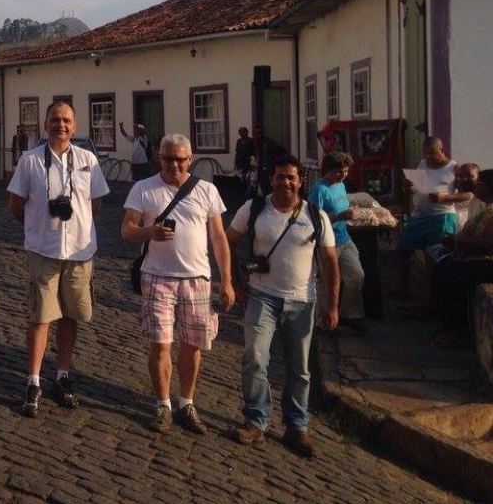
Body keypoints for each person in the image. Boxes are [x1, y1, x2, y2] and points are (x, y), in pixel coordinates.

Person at [120, 134, 235, 434]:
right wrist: (150, 233)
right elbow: (127, 230)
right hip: (157, 276)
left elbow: (218, 237)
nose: (174, 165)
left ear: (190, 160)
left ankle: (186, 402)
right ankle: (163, 404)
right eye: (168, 158)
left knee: (193, 345)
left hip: (197, 278)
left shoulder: (207, 190)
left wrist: (226, 279)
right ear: (160, 158)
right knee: (160, 343)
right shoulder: (143, 189)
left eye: (180, 159)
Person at [227, 154, 339, 458]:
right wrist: (235, 282)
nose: (286, 182)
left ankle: (297, 426)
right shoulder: (254, 209)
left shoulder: (316, 216)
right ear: (271, 180)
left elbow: (330, 261)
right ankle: (256, 420)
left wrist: (332, 305)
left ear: (300, 181)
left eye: (291, 177)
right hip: (262, 296)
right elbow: (228, 240)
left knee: (299, 368)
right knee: (254, 357)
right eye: (280, 176)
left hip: (302, 301)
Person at [8, 101, 109, 417]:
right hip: (44, 251)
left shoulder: (88, 160)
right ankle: (33, 380)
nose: (60, 125)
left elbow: (94, 204)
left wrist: (77, 226)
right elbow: (15, 205)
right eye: (55, 119)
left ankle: (62, 375)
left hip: (79, 252)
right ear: (45, 123)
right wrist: (39, 228)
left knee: (69, 315)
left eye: (66, 120)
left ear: (74, 126)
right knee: (40, 317)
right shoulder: (30, 161)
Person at [430, 168, 493, 347]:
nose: (475, 186)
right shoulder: (484, 207)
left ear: (488, 187)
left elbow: (487, 244)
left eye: (478, 182)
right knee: (442, 265)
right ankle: (444, 320)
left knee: (453, 273)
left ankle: (456, 330)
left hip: (488, 260)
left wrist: (458, 240)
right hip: (478, 256)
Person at [394, 137, 464, 296]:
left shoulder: (454, 169)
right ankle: (404, 288)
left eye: (432, 153)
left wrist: (444, 198)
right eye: (425, 153)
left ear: (442, 151)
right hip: (418, 216)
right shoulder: (421, 164)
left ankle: (435, 295)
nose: (428, 157)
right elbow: (412, 189)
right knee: (403, 249)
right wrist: (407, 186)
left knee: (436, 257)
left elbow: (468, 194)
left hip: (441, 217)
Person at [308, 151, 366, 335]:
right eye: (339, 172)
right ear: (328, 170)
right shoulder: (319, 190)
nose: (343, 175)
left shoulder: (340, 185)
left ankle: (351, 314)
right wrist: (339, 216)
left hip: (344, 238)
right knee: (326, 283)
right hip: (327, 243)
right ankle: (323, 322)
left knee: (356, 275)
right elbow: (313, 219)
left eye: (346, 171)